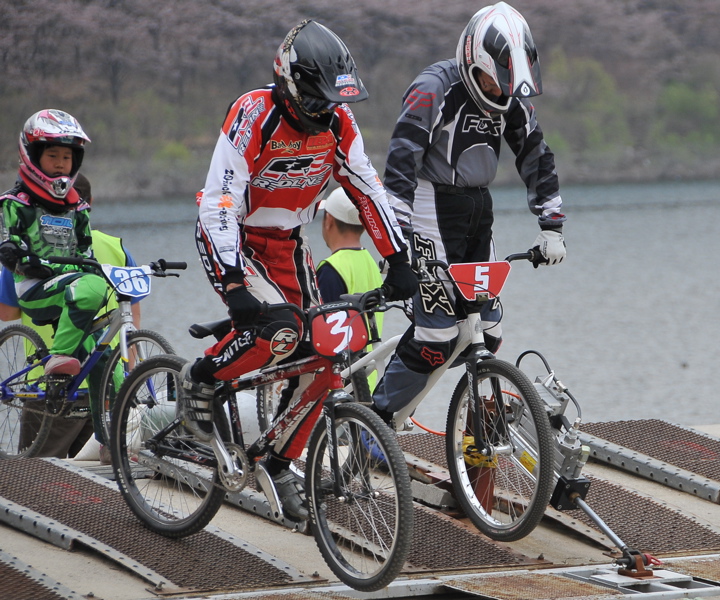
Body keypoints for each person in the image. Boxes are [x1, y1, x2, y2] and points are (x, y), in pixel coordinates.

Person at [183, 20, 417, 520]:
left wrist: (397, 259)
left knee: (327, 349)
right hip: (233, 236)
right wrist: (231, 280)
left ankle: (281, 460)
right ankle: (201, 378)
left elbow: (367, 188)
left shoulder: (339, 122)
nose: (324, 111)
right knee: (277, 330)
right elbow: (220, 200)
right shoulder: (253, 112)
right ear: (288, 85)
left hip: (287, 242)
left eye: (331, 102)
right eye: (315, 101)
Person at [371, 2, 567, 424]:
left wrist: (551, 225)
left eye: (505, 87)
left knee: (487, 330)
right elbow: (401, 163)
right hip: (428, 203)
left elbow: (536, 155)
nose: (498, 94)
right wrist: (395, 244)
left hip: (478, 205)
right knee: (437, 336)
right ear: (472, 61)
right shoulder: (434, 88)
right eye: (491, 83)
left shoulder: (509, 93)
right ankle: (379, 419)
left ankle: (468, 416)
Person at [0, 173, 141, 459]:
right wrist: (130, 376)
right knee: (103, 478)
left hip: (46, 385)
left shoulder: (33, 249)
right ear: (90, 203)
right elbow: (133, 323)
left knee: (38, 478)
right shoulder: (117, 248)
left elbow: (7, 313)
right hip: (105, 385)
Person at [0, 109, 109, 456]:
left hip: (70, 287)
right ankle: (59, 357)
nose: (61, 164)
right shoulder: (15, 203)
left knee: (104, 362)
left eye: (67, 156)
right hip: (34, 289)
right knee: (89, 286)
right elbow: (7, 239)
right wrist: (17, 255)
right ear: (33, 156)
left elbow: (87, 249)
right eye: (53, 156)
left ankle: (113, 433)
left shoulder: (77, 207)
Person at [317, 186, 385, 389]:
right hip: (370, 378)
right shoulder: (370, 262)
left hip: (345, 383)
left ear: (329, 220)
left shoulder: (331, 268)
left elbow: (328, 332)